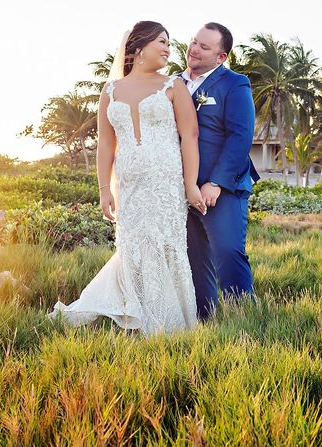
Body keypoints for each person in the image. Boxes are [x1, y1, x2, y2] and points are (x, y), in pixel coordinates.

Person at [49, 21, 206, 336]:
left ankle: (169, 323)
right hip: (129, 186)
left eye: (169, 43)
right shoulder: (110, 91)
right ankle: (136, 316)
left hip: (165, 182)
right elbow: (106, 143)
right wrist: (104, 188)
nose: (167, 48)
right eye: (161, 41)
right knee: (133, 247)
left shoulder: (173, 86)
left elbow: (190, 136)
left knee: (166, 245)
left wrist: (190, 184)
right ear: (138, 47)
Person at [181, 23, 259, 319]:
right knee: (195, 257)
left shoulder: (235, 84)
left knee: (227, 251)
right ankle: (205, 317)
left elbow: (241, 137)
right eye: (193, 41)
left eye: (204, 46)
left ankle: (244, 319)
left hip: (223, 188)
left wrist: (215, 183)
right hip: (183, 187)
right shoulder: (174, 82)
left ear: (221, 57)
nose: (193, 49)